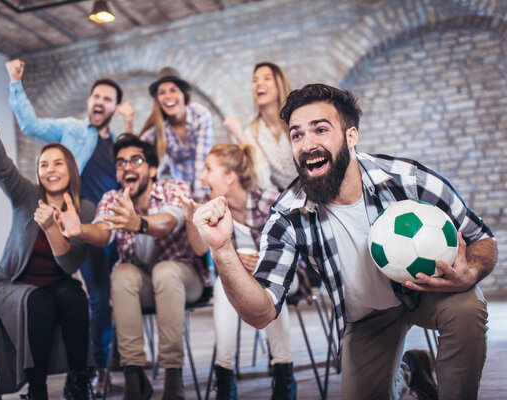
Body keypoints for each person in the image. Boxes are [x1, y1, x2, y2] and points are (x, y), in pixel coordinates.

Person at [193, 83, 497, 400]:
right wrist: (222, 248)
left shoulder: (407, 179)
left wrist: (471, 271)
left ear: (351, 136)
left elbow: (482, 239)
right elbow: (261, 311)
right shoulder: (288, 215)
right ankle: (409, 371)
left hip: (424, 293)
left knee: (467, 306)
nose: (307, 144)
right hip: (367, 320)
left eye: (320, 130)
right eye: (297, 135)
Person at [6, 59, 133, 394]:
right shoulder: (72, 130)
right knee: (98, 295)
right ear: (89, 101)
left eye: (107, 98)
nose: (99, 102)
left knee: (120, 293)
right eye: (95, 96)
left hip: (117, 225)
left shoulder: (120, 143)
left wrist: (132, 124)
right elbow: (31, 125)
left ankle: (121, 357)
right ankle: (99, 368)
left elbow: (139, 167)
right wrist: (16, 83)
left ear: (114, 107)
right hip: (84, 226)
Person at [56, 133, 211, 399]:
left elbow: (168, 223)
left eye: (136, 160)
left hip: (185, 279)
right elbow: (103, 233)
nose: (127, 166)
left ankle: (173, 377)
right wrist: (79, 229)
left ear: (151, 169)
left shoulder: (173, 188)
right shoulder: (112, 198)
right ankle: (133, 377)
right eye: (120, 162)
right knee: (122, 273)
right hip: (142, 284)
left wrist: (138, 223)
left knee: (166, 270)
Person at [0, 85, 96, 400]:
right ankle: (37, 391)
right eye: (44, 165)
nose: (50, 170)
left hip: (54, 282)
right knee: (39, 301)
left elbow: (69, 264)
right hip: (10, 285)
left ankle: (79, 381)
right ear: (38, 173)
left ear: (71, 169)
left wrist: (56, 228)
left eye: (58, 163)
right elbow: (0, 165)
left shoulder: (86, 210)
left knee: (75, 298)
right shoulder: (26, 196)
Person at [176, 143, 298, 399]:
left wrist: (265, 261)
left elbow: (298, 243)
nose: (202, 176)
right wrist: (191, 218)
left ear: (230, 177)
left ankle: (283, 374)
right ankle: (224, 376)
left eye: (209, 169)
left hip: (289, 274)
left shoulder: (268, 200)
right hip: (242, 283)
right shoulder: (215, 209)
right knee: (223, 284)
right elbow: (199, 249)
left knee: (270, 284)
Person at [139, 66, 214, 201]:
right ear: (157, 99)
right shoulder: (159, 129)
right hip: (176, 195)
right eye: (162, 92)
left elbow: (201, 160)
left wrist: (198, 201)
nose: (168, 96)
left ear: (184, 94)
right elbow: (135, 148)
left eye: (173, 90)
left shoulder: (200, 115)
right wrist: (128, 122)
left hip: (203, 190)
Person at [223, 62, 296, 191]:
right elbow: (262, 182)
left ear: (279, 84)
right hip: (286, 203)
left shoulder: (296, 119)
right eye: (255, 80)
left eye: (267, 78)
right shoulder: (251, 133)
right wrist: (240, 137)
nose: (259, 84)